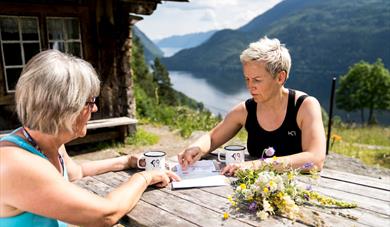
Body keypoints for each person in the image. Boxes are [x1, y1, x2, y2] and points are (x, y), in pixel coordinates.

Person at [0, 49, 180, 227]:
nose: (94, 109)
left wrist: (127, 161)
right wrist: (145, 178)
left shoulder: (44, 141)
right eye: (90, 101)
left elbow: (76, 173)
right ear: (64, 107)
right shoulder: (16, 164)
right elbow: (105, 214)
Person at [178, 36, 326, 175]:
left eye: (257, 80)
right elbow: (212, 138)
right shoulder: (246, 110)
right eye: (247, 79)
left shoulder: (304, 106)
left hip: (298, 192)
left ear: (280, 77)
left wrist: (255, 165)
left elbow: (315, 159)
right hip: (249, 192)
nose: (250, 86)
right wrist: (197, 148)